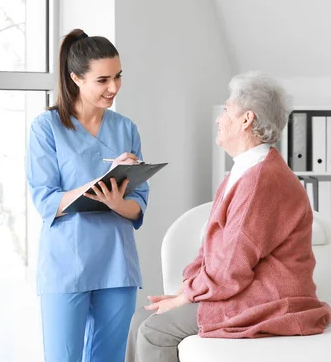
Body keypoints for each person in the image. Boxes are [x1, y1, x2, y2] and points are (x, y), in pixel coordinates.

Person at [125, 71, 331, 362]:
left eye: (226, 110)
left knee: (154, 331)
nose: (219, 119)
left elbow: (230, 266)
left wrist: (185, 297)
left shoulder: (261, 180)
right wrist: (185, 291)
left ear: (246, 120)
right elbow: (211, 250)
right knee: (138, 320)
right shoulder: (244, 170)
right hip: (242, 291)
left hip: (268, 300)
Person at [26, 28, 149, 362]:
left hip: (117, 263)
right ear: (76, 78)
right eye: (103, 80)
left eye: (118, 77)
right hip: (66, 263)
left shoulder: (126, 129)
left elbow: (138, 205)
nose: (113, 88)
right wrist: (102, 182)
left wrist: (116, 201)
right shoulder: (46, 128)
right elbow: (45, 199)